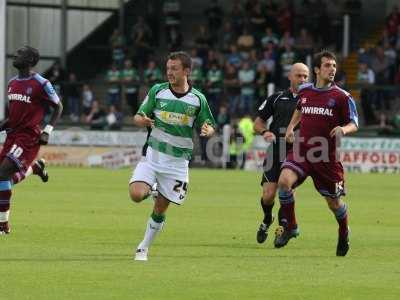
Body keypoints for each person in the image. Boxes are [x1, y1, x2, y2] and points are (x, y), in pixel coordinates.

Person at [129, 51, 216, 261]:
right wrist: (143, 121)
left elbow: (210, 124)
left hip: (177, 163)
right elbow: (138, 116)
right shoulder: (157, 91)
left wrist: (208, 130)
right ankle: (154, 189)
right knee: (136, 194)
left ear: (187, 71)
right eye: (168, 68)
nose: (170, 72)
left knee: (160, 209)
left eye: (174, 69)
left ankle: (143, 247)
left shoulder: (198, 99)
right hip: (154, 156)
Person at [275, 51, 358, 256]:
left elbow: (354, 123)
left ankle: (343, 230)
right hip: (303, 150)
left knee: (334, 203)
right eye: (328, 65)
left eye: (334, 66)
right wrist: (291, 128)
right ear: (317, 70)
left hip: (326, 158)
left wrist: (343, 129)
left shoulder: (342, 96)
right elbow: (300, 109)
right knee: (284, 182)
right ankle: (292, 227)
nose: (332, 69)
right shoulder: (305, 91)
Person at [0, 46, 63, 234]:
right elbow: (14, 116)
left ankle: (3, 226)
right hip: (13, 135)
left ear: (30, 60)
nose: (15, 55)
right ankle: (35, 168)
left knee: (2, 174)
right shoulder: (12, 83)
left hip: (29, 137)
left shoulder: (41, 83)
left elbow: (58, 107)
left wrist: (47, 131)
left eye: (20, 53)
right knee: (3, 177)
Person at [254, 63, 310, 244]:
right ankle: (267, 219)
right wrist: (265, 132)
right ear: (290, 76)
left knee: (286, 189)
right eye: (299, 75)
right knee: (268, 194)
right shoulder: (276, 98)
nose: (302, 79)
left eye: (305, 76)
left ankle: (283, 228)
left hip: (297, 152)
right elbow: (258, 123)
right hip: (276, 150)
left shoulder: (312, 100)